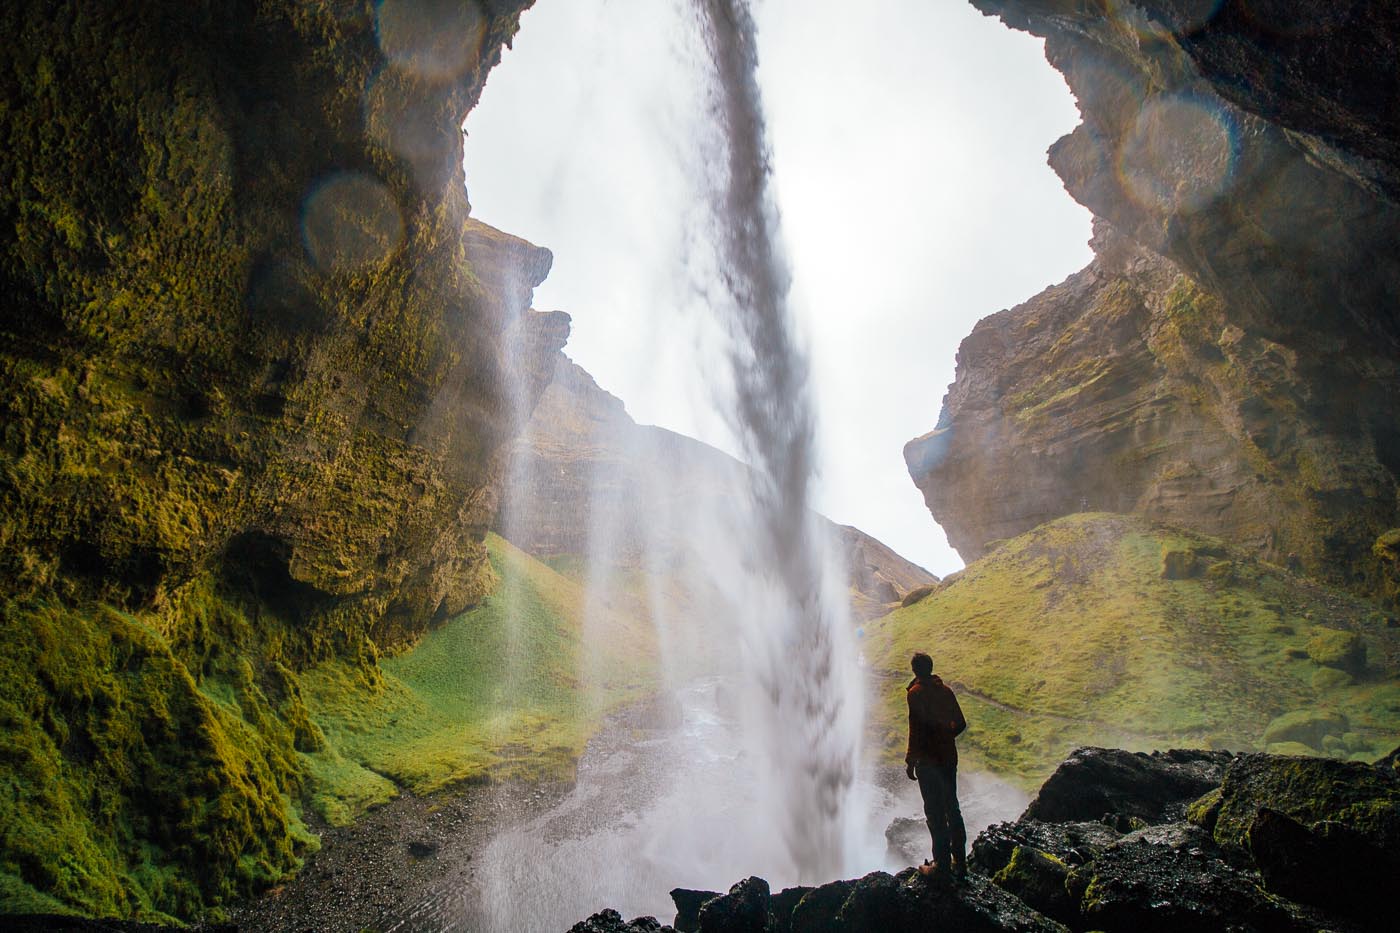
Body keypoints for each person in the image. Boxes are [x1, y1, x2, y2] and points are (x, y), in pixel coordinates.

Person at [905, 651, 967, 879]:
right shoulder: (946, 691)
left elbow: (916, 729)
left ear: (915, 670)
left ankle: (941, 865)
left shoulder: (916, 694)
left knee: (934, 811)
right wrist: (946, 737)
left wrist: (911, 760)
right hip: (948, 758)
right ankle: (960, 862)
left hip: (928, 762)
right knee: (953, 808)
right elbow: (960, 723)